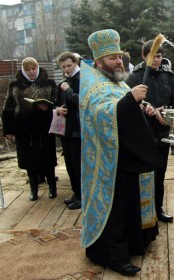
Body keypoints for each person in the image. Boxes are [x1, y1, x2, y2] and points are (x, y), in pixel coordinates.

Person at [79, 29, 162, 277]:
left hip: (125, 156)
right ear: (99, 61)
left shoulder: (115, 80)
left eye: (120, 56)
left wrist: (142, 106)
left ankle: (133, 243)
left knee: (128, 204)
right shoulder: (93, 83)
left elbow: (124, 106)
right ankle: (114, 256)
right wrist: (129, 99)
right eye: (113, 58)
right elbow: (100, 114)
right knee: (114, 209)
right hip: (108, 161)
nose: (119, 61)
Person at [126, 39, 174, 223]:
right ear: (144, 56)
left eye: (159, 56)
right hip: (142, 133)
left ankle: (157, 208)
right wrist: (147, 108)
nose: (157, 60)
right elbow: (127, 102)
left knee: (160, 172)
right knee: (144, 173)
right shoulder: (135, 77)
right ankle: (142, 211)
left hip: (163, 132)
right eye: (153, 57)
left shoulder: (168, 76)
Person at [2, 57, 57, 201]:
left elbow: (57, 102)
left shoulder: (49, 83)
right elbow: (8, 108)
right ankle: (34, 190)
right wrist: (8, 130)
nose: (31, 72)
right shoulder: (15, 85)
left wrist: (48, 108)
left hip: (45, 127)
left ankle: (52, 187)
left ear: (38, 68)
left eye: (33, 68)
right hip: (24, 129)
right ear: (23, 70)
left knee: (48, 158)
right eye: (28, 69)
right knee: (29, 160)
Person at [55, 51, 82, 210]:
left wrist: (68, 90)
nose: (66, 69)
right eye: (63, 67)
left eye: (69, 65)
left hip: (78, 129)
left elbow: (83, 101)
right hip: (66, 128)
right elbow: (58, 102)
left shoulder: (82, 79)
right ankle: (76, 192)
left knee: (78, 165)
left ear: (76, 63)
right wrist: (58, 109)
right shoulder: (65, 81)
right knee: (70, 164)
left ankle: (82, 195)